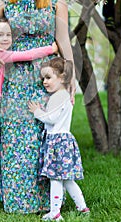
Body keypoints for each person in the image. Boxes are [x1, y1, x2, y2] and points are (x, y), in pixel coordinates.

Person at [0, 0, 76, 213]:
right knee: (15, 137)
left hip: (47, 76)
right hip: (12, 78)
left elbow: (63, 40)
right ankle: (18, 202)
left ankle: (47, 201)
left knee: (44, 136)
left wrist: (71, 77)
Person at [0, 17, 57, 214]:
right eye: (0, 35)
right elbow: (27, 54)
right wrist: (51, 49)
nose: (6, 38)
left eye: (8, 34)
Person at [29, 57, 90, 221]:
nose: (44, 82)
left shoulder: (58, 96)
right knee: (67, 179)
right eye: (43, 78)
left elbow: (52, 118)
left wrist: (37, 112)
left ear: (62, 77)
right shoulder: (64, 95)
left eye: (48, 77)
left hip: (57, 142)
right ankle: (82, 207)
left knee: (55, 178)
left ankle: (55, 212)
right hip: (64, 140)